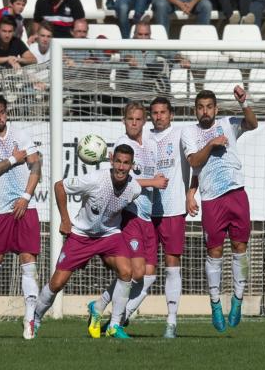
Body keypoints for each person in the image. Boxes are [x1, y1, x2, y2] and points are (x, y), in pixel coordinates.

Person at [33, 144, 167, 339]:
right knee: (57, 283)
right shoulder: (96, 179)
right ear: (112, 161)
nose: (121, 167)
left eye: (126, 163)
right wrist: (65, 220)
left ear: (131, 166)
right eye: (118, 162)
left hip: (109, 235)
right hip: (81, 235)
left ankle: (114, 325)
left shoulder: (134, 188)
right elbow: (59, 186)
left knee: (127, 271)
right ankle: (34, 319)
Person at [183, 87, 258, 332]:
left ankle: (237, 299)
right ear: (195, 110)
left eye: (209, 107)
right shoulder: (190, 132)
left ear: (216, 109)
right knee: (214, 251)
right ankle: (215, 303)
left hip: (236, 193)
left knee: (240, 248)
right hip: (212, 199)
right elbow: (194, 161)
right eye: (200, 107)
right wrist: (212, 143)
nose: (205, 111)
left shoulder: (228, 123)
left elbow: (252, 123)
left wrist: (244, 102)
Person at [88, 102, 162, 336]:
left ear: (144, 121)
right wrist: (153, 182)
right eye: (130, 118)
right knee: (136, 272)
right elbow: (122, 180)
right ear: (124, 120)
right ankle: (116, 323)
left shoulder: (150, 143)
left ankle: (99, 306)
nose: (134, 123)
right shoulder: (124, 145)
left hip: (147, 215)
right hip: (130, 215)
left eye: (139, 119)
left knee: (149, 276)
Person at [0, 96, 42, 340]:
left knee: (29, 266)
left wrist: (25, 196)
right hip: (0, 211)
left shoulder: (20, 135)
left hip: (26, 207)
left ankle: (29, 320)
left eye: (2, 112)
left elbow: (36, 167)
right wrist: (14, 158)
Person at [148, 97, 189, 337]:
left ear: (171, 114)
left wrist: (191, 192)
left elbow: (195, 161)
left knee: (172, 265)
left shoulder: (182, 134)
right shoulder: (144, 138)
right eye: (155, 112)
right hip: (145, 211)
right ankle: (125, 313)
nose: (159, 116)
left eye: (163, 112)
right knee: (143, 270)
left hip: (173, 209)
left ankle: (171, 321)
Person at [0, 16, 37, 93]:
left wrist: (18, 60)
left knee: (30, 92)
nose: (7, 35)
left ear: (13, 32)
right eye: (4, 31)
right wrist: (8, 59)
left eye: (10, 31)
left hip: (11, 80)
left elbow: (33, 59)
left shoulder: (17, 42)